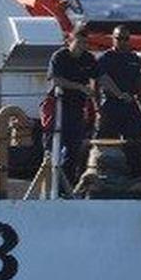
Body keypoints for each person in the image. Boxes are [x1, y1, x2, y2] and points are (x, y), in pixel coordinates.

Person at [47, 23, 100, 185]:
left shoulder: (88, 58)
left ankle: (67, 185)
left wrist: (102, 101)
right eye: (79, 42)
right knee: (52, 146)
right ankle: (50, 184)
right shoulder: (59, 57)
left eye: (85, 43)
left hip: (76, 108)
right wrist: (80, 87)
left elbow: (99, 77)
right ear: (71, 40)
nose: (82, 47)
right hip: (58, 106)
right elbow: (55, 80)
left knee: (74, 148)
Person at [95, 26, 141, 178]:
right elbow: (96, 84)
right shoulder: (105, 58)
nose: (123, 42)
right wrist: (98, 109)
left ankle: (137, 175)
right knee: (104, 141)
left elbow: (139, 84)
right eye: (119, 38)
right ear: (113, 39)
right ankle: (99, 173)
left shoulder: (133, 58)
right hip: (110, 103)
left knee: (136, 139)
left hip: (129, 104)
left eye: (126, 39)